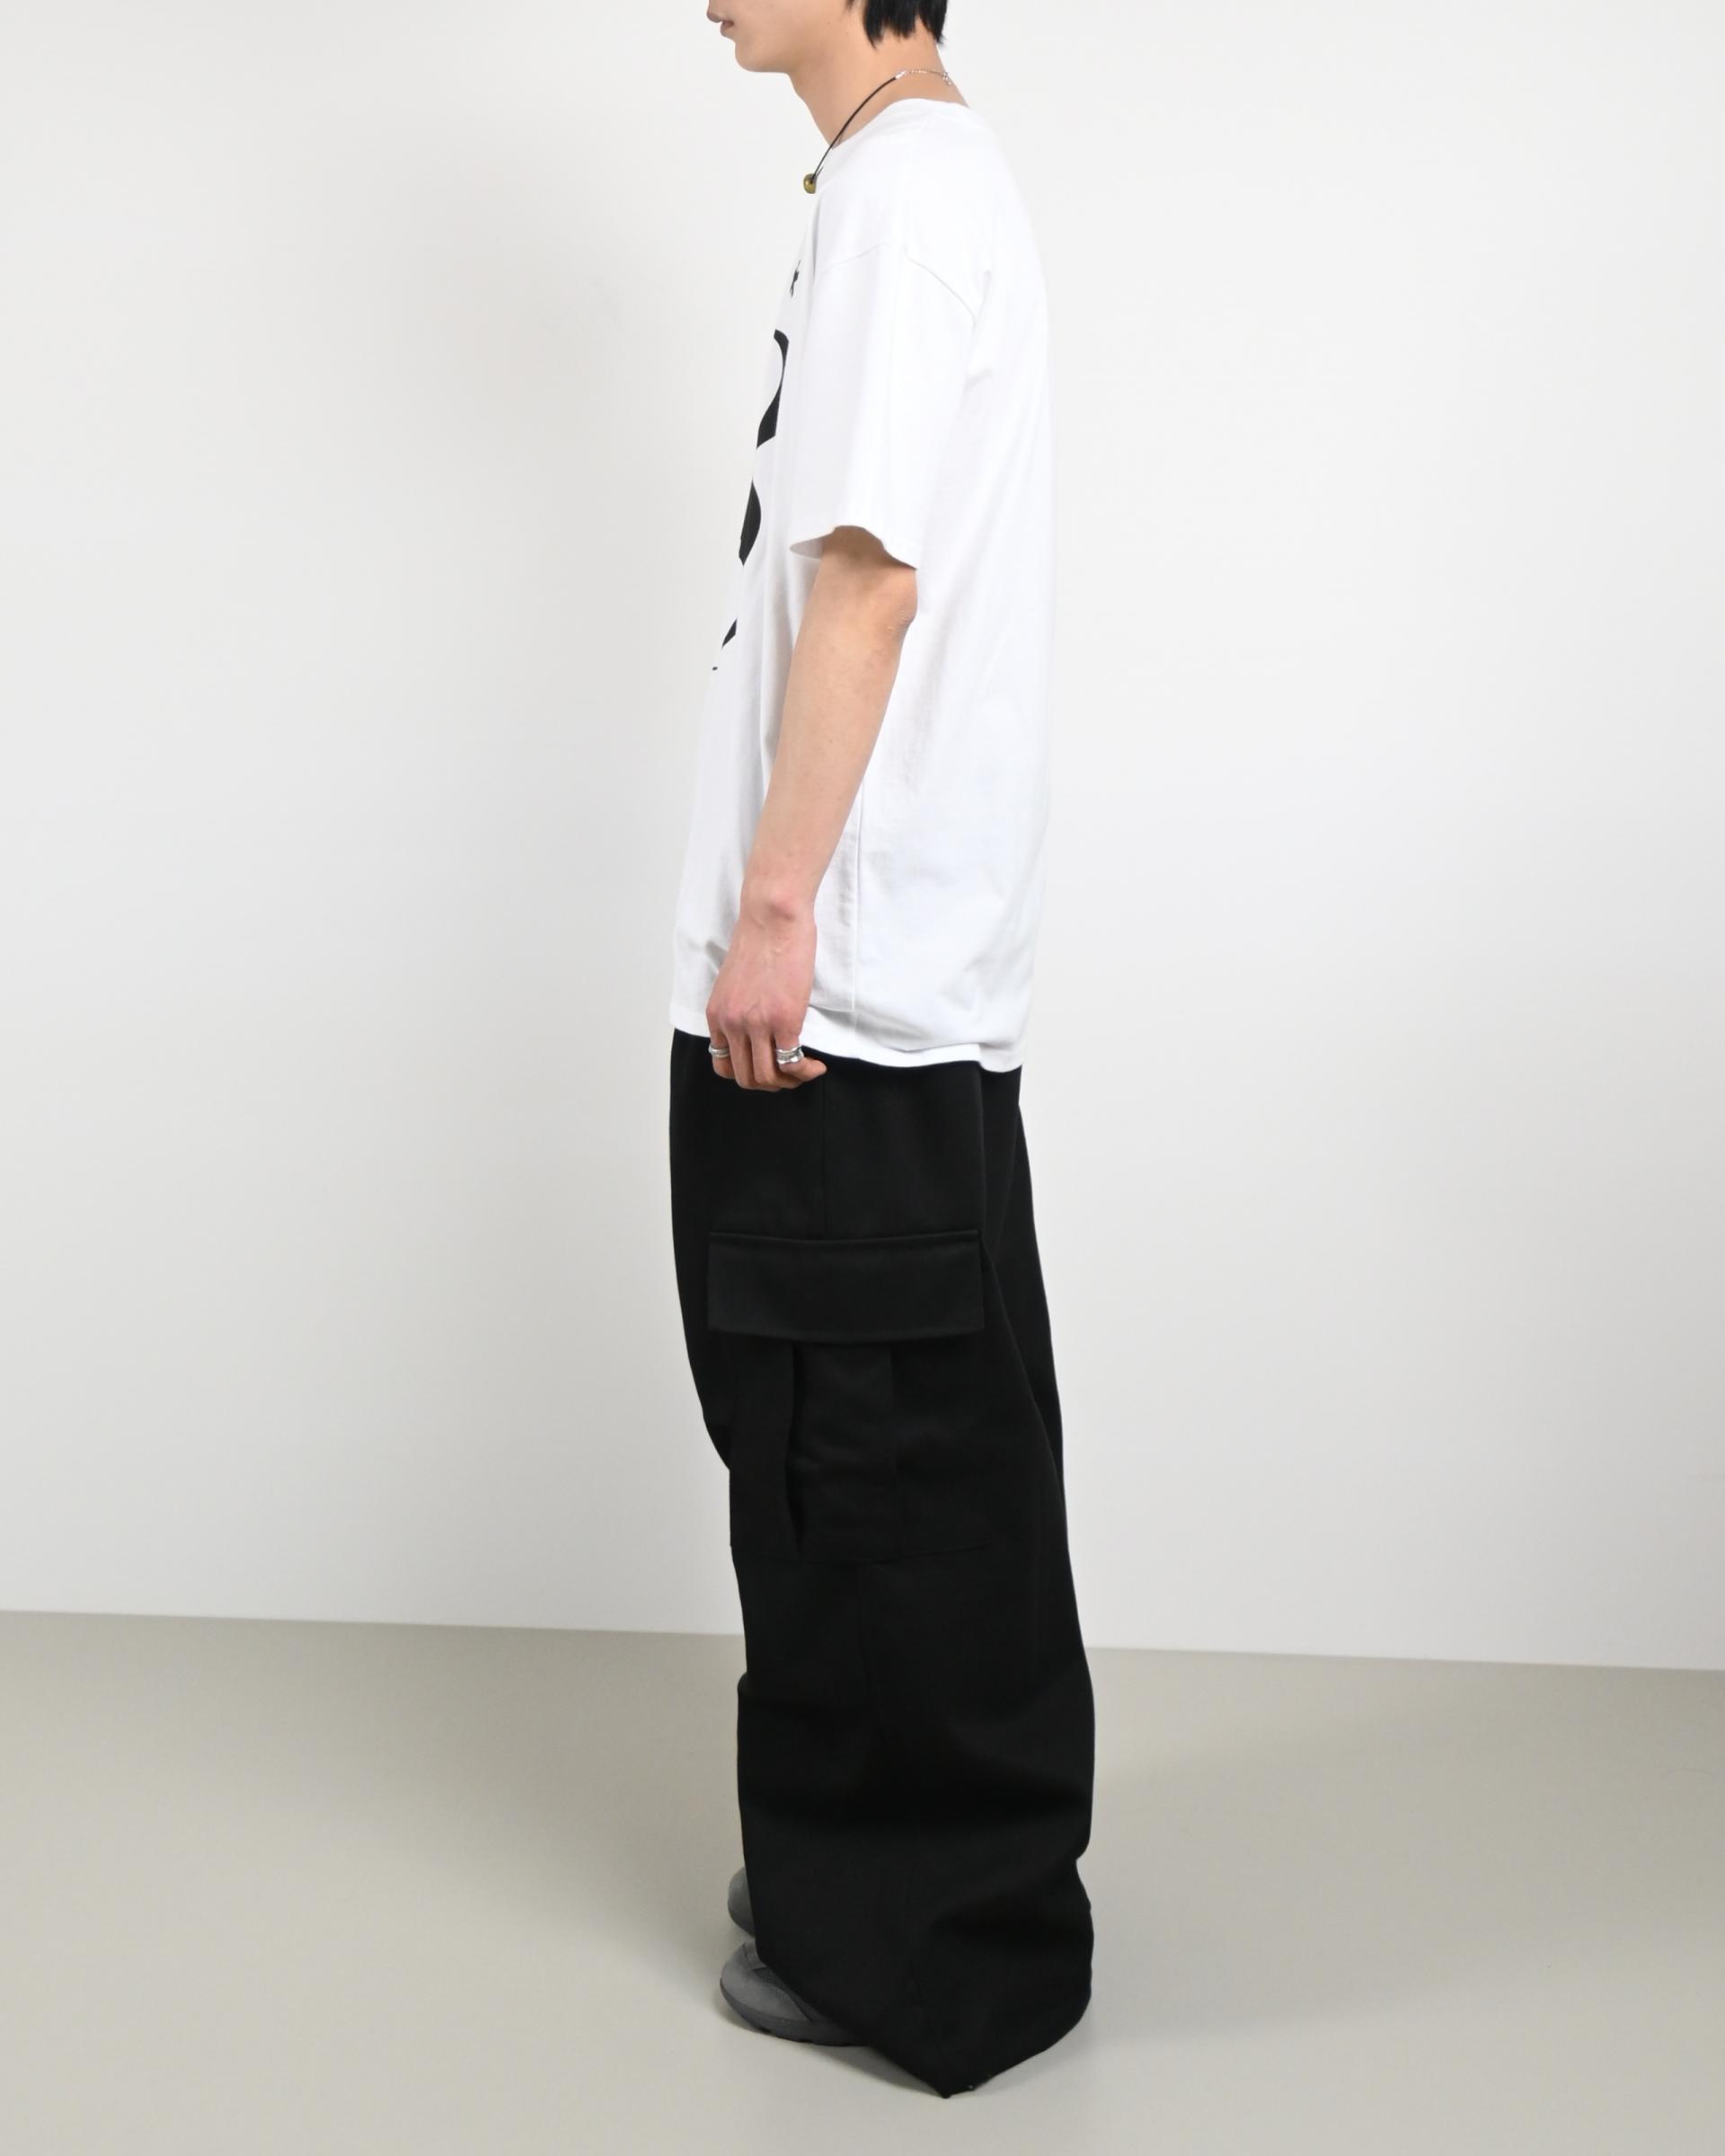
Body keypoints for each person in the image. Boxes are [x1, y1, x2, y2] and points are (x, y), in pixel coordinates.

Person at [667, 0, 1094, 2097]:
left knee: (864, 1465)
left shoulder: (904, 199)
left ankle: (913, 1952)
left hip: (840, 997)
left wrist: (775, 915)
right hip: (883, 983)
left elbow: (866, 585)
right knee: (880, 1462)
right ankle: (901, 1898)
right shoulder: (911, 182)